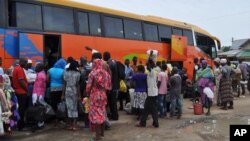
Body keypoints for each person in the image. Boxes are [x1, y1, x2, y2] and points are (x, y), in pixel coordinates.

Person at [87, 59, 111, 141]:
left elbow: (88, 86)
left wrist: (88, 93)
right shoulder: (106, 74)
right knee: (102, 113)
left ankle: (97, 137)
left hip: (94, 95)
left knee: (96, 116)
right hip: (103, 95)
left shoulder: (92, 73)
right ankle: (102, 134)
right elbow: (109, 86)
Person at [137, 58, 159, 128]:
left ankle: (154, 123)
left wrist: (149, 61)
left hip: (152, 94)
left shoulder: (152, 72)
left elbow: (149, 66)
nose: (146, 66)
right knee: (147, 108)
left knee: (152, 109)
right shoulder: (151, 72)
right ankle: (144, 123)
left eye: (148, 65)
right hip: (152, 93)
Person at [62, 59, 81, 131]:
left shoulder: (65, 72)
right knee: (75, 108)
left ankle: (69, 125)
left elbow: (64, 84)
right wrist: (79, 95)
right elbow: (77, 85)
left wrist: (62, 94)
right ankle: (74, 125)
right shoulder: (78, 74)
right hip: (74, 92)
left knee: (69, 108)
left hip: (67, 91)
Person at [12, 57, 28, 131]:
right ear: (21, 62)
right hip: (21, 92)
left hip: (17, 91)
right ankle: (20, 126)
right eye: (25, 62)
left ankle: (17, 125)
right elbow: (21, 81)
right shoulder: (20, 69)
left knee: (18, 109)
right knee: (21, 109)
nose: (26, 64)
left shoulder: (16, 68)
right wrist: (27, 89)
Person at [103, 51, 119, 120]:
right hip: (114, 85)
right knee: (113, 101)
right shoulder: (113, 62)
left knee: (112, 102)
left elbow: (109, 75)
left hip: (112, 85)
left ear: (106, 56)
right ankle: (114, 115)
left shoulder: (110, 64)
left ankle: (114, 116)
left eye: (104, 56)